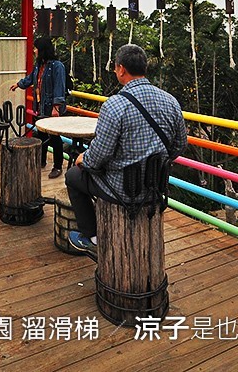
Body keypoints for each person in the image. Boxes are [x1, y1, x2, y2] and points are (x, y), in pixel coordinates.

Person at [65, 43, 187, 258]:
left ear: (121, 69)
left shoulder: (115, 105)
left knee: (73, 176)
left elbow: (98, 157)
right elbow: (179, 145)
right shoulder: (171, 101)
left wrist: (83, 159)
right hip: (155, 187)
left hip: (122, 191)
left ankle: (91, 237)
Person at [10, 35, 68, 178]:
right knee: (41, 135)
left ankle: (58, 166)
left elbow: (59, 88)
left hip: (52, 108)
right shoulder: (39, 65)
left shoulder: (57, 66)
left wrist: (56, 108)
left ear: (42, 49)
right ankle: (41, 161)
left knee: (55, 138)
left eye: (36, 48)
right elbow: (31, 78)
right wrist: (19, 84)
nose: (34, 50)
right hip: (40, 106)